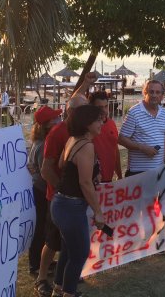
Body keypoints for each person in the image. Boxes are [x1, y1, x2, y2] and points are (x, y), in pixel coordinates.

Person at [50, 104, 106, 297]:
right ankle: (69, 293)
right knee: (80, 253)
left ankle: (59, 288)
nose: (102, 123)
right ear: (87, 123)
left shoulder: (73, 140)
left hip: (60, 203)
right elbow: (85, 183)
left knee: (68, 249)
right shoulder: (86, 145)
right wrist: (98, 211)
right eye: (98, 120)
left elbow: (61, 165)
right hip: (71, 206)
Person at [36, 96, 88, 297]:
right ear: (73, 112)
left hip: (73, 200)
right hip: (59, 199)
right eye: (84, 110)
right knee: (52, 242)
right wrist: (62, 190)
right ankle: (41, 278)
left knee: (68, 245)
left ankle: (62, 285)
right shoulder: (57, 133)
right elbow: (45, 169)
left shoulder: (78, 131)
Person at [27, 106, 63, 276]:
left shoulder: (38, 141)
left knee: (43, 227)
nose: (59, 121)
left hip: (40, 188)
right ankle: (36, 264)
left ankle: (39, 261)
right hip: (42, 190)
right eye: (55, 119)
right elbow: (44, 171)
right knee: (42, 228)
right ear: (47, 124)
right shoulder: (44, 144)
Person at [118, 80, 165, 176]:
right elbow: (121, 139)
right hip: (138, 172)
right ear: (145, 93)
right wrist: (142, 147)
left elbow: (164, 138)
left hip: (158, 171)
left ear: (162, 95)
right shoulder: (134, 112)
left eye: (158, 92)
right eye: (151, 91)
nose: (154, 95)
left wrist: (164, 163)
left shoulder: (164, 113)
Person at [89, 91, 122, 182]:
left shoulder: (111, 123)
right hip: (92, 180)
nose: (104, 110)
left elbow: (115, 150)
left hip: (108, 180)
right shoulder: (87, 127)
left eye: (106, 106)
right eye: (99, 107)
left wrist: (119, 175)